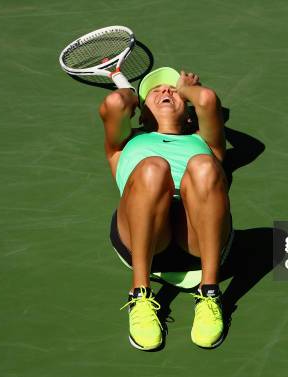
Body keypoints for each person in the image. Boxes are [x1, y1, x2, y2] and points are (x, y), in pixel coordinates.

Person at [98, 67, 232, 350]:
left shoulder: (205, 142)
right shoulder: (124, 144)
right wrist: (131, 95)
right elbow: (113, 104)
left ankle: (209, 292)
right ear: (141, 113)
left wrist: (187, 89)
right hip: (143, 240)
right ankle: (140, 294)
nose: (166, 91)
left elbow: (206, 99)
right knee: (153, 167)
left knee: (203, 164)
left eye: (173, 89)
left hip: (198, 239)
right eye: (155, 91)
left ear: (188, 113)